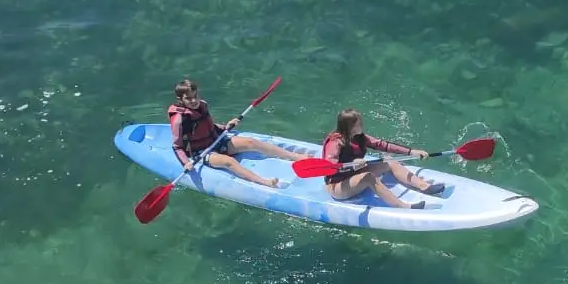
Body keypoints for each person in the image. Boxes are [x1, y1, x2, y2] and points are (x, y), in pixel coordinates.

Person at [168, 78, 313, 188]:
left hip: (216, 140)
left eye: (195, 95)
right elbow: (177, 147)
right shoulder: (179, 120)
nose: (194, 100)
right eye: (188, 98)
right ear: (180, 99)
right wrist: (186, 163)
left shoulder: (203, 105)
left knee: (251, 142)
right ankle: (265, 182)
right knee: (229, 161)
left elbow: (209, 126)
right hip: (201, 152)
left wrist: (225, 127)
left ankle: (296, 156)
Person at [321, 108, 446, 210]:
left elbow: (384, 145)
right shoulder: (335, 143)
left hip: (354, 174)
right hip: (338, 186)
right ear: (350, 126)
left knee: (390, 162)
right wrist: (351, 164)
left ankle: (424, 186)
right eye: (359, 124)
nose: (362, 125)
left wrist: (411, 152)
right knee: (368, 177)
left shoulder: (359, 137)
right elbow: (329, 168)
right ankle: (401, 206)